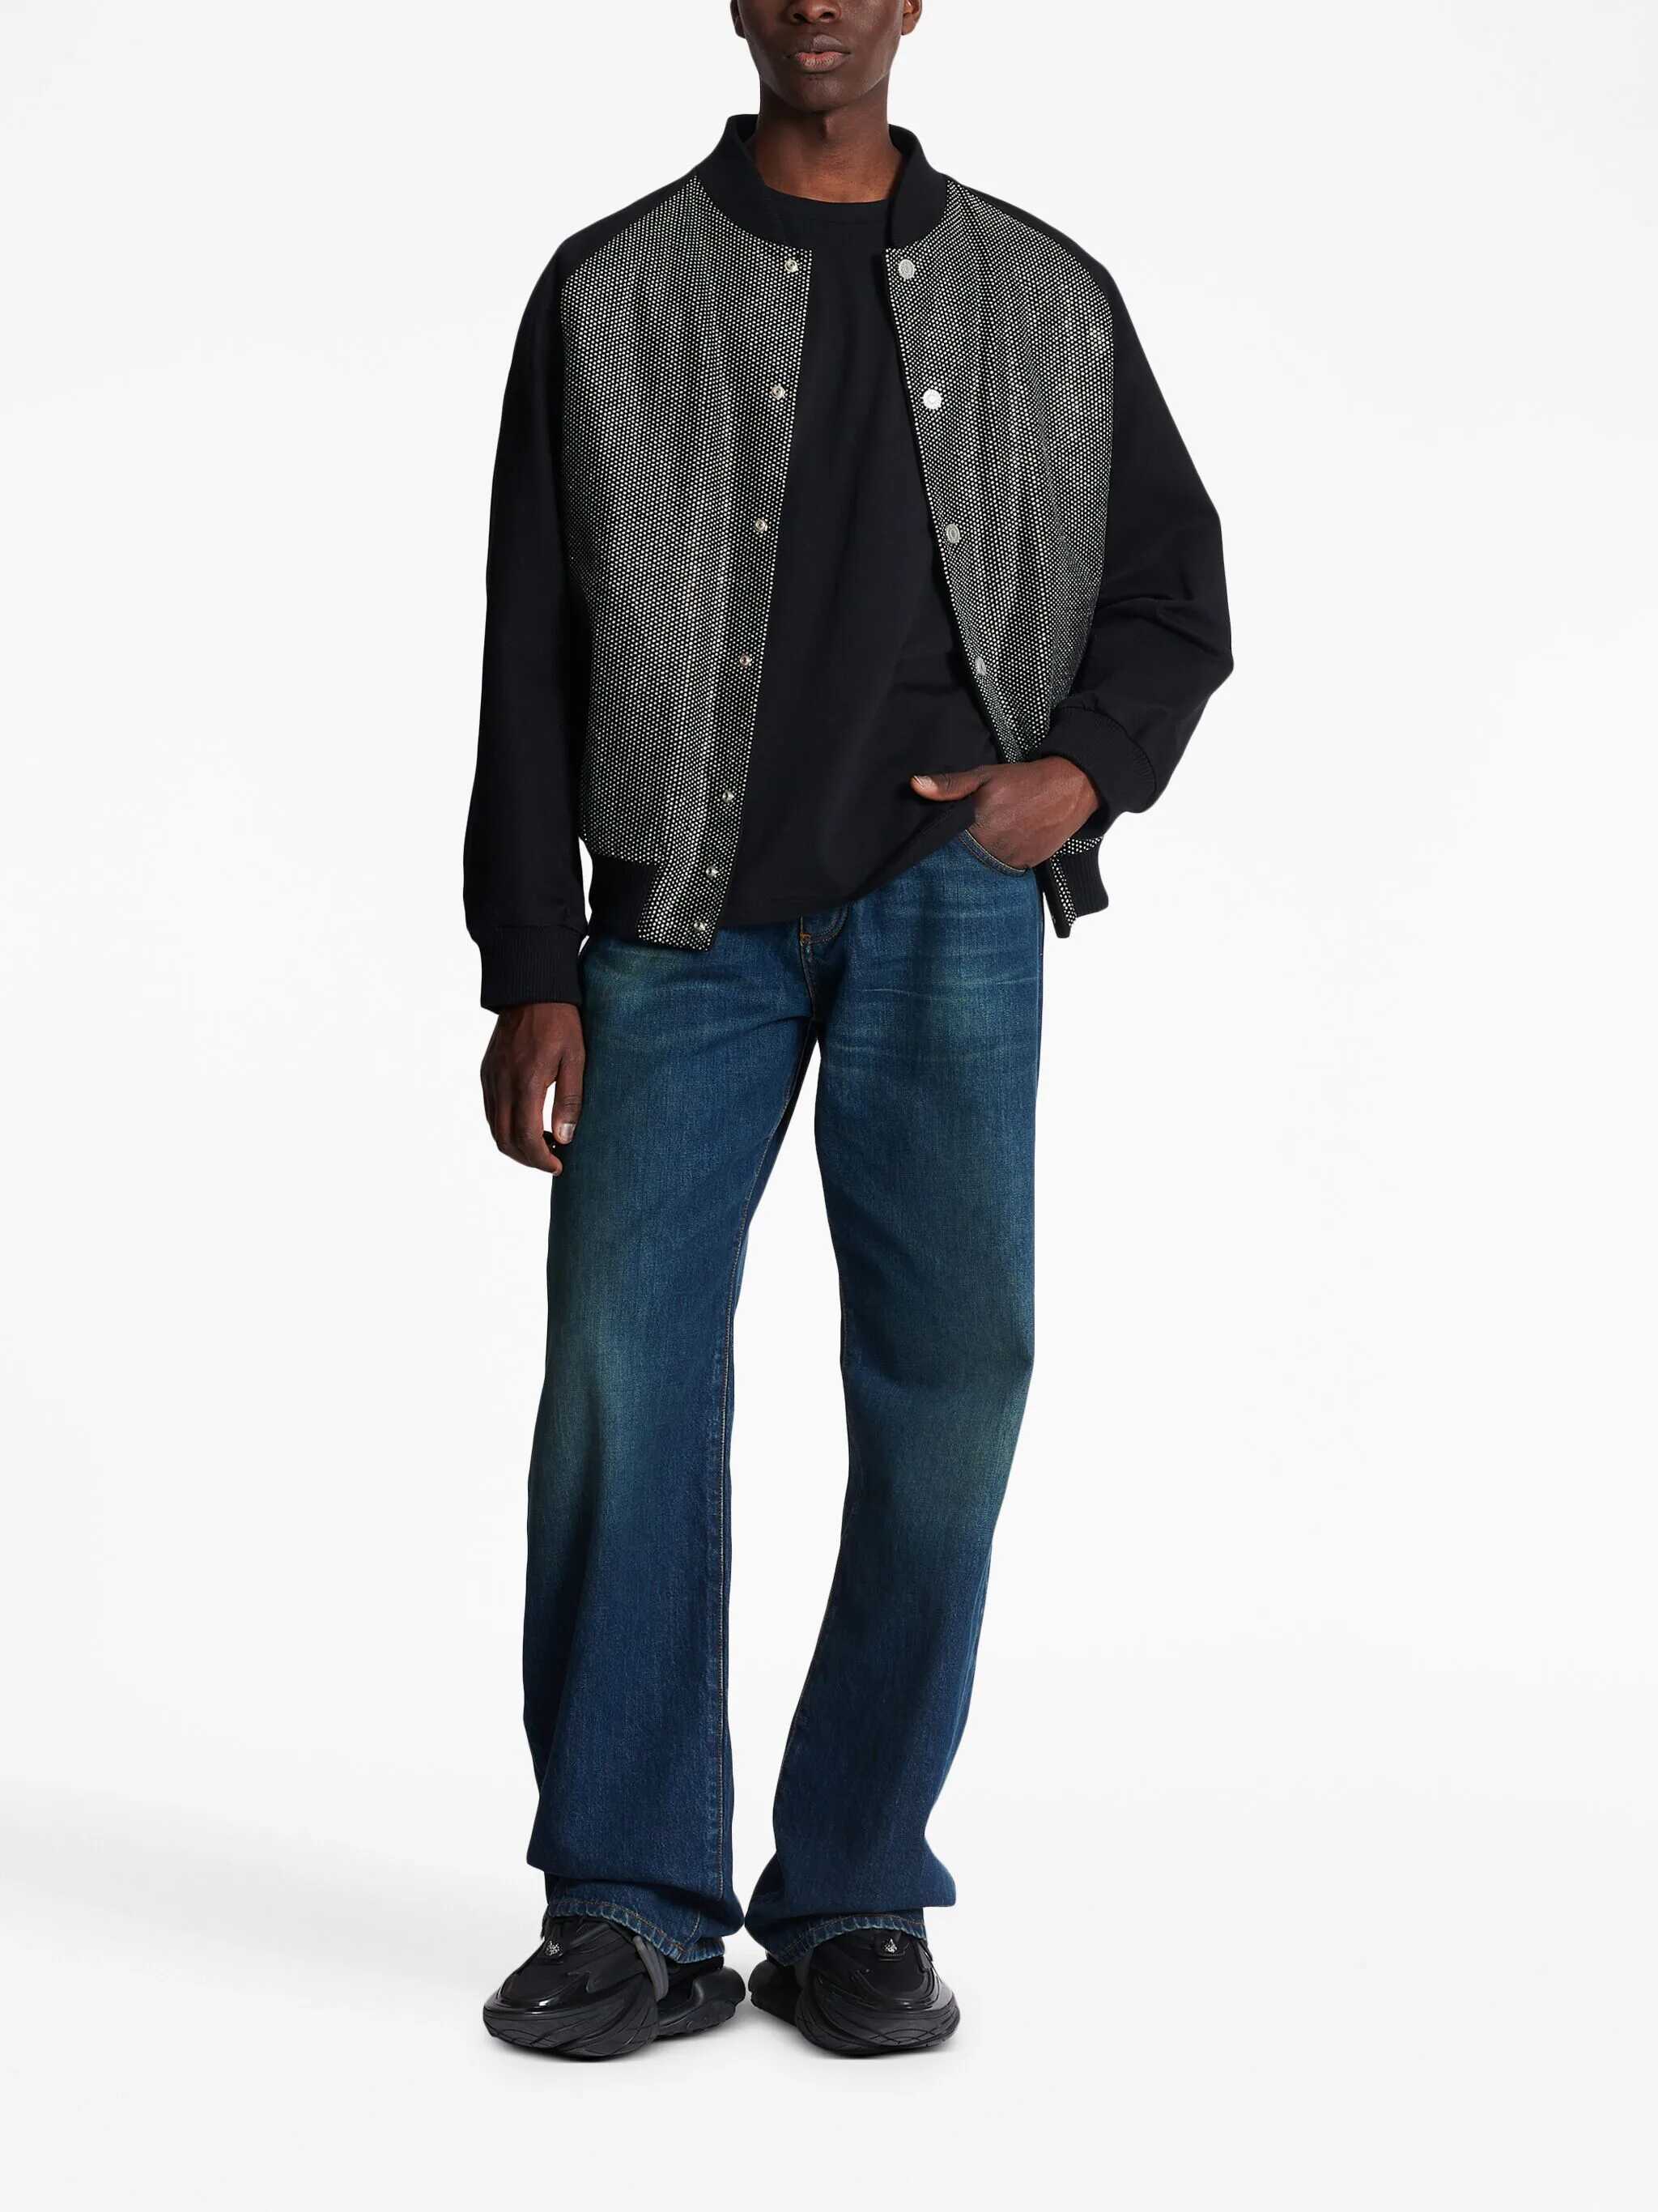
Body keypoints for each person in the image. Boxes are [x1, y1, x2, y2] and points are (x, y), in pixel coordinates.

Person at [465, 0, 1231, 2060]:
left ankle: (857, 1893)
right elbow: (528, 641)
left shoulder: (1045, 296)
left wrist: (1078, 773)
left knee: (951, 1380)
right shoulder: (613, 289)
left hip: (945, 912)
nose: (817, 2)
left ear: (906, 7)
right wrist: (530, 956)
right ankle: (628, 1900)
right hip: (672, 930)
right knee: (623, 1384)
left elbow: (1175, 591)